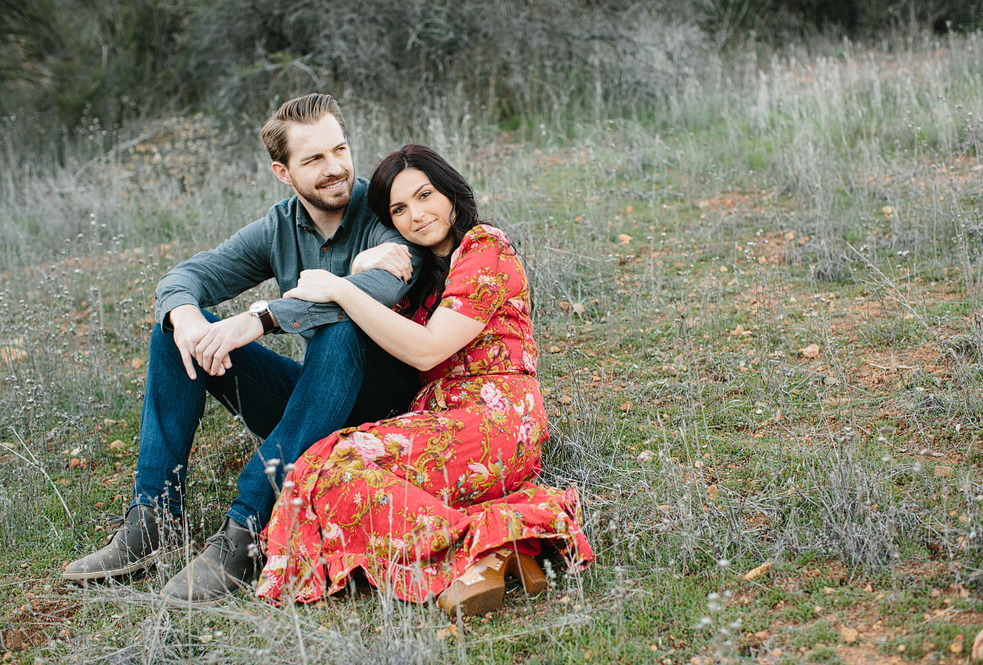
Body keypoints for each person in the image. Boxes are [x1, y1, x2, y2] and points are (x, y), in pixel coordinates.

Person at [61, 93, 423, 604]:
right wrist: (185, 316)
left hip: (385, 411)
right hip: (313, 405)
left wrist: (262, 317)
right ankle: (155, 515)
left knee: (342, 328)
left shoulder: (383, 209)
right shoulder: (279, 227)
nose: (335, 168)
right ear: (283, 171)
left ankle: (246, 528)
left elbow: (385, 287)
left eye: (339, 149)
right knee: (175, 331)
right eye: (314, 159)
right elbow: (186, 276)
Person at [253, 144, 591, 617]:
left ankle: (475, 548)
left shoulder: (485, 247)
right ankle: (494, 544)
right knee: (321, 467)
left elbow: (429, 348)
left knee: (331, 465)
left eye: (425, 195)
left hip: (496, 422)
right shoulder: (420, 273)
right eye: (399, 209)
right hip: (440, 420)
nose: (416, 214)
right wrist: (359, 268)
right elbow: (373, 334)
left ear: (450, 192)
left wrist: (342, 287)